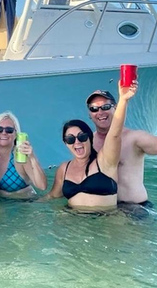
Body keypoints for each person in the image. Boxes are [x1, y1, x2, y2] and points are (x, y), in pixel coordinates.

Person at [85, 89, 157, 206]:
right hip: (102, 209)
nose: (100, 112)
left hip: (134, 210)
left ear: (115, 108)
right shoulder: (86, 142)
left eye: (105, 107)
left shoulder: (134, 138)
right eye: (94, 109)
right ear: (90, 114)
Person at [44, 81, 137, 211]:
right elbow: (53, 196)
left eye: (82, 137)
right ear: (65, 143)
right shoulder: (64, 169)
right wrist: (25, 204)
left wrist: (123, 100)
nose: (77, 142)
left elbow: (115, 134)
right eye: (70, 139)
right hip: (72, 224)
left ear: (90, 138)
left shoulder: (104, 162)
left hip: (104, 223)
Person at [0, 111, 47, 198]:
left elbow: (42, 186)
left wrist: (32, 158)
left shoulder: (20, 157)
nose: (3, 133)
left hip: (22, 206)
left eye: (9, 130)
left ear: (16, 134)